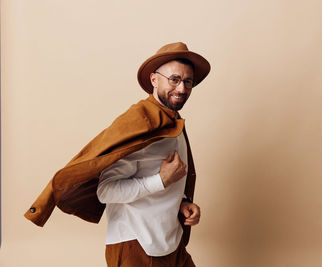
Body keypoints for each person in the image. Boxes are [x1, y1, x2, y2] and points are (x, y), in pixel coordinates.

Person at [24, 42, 210, 267]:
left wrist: (181, 201)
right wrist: (161, 180)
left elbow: (154, 174)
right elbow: (106, 191)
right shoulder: (139, 121)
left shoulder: (173, 122)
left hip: (172, 242)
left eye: (188, 82)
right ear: (154, 79)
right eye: (174, 79)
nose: (181, 89)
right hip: (136, 245)